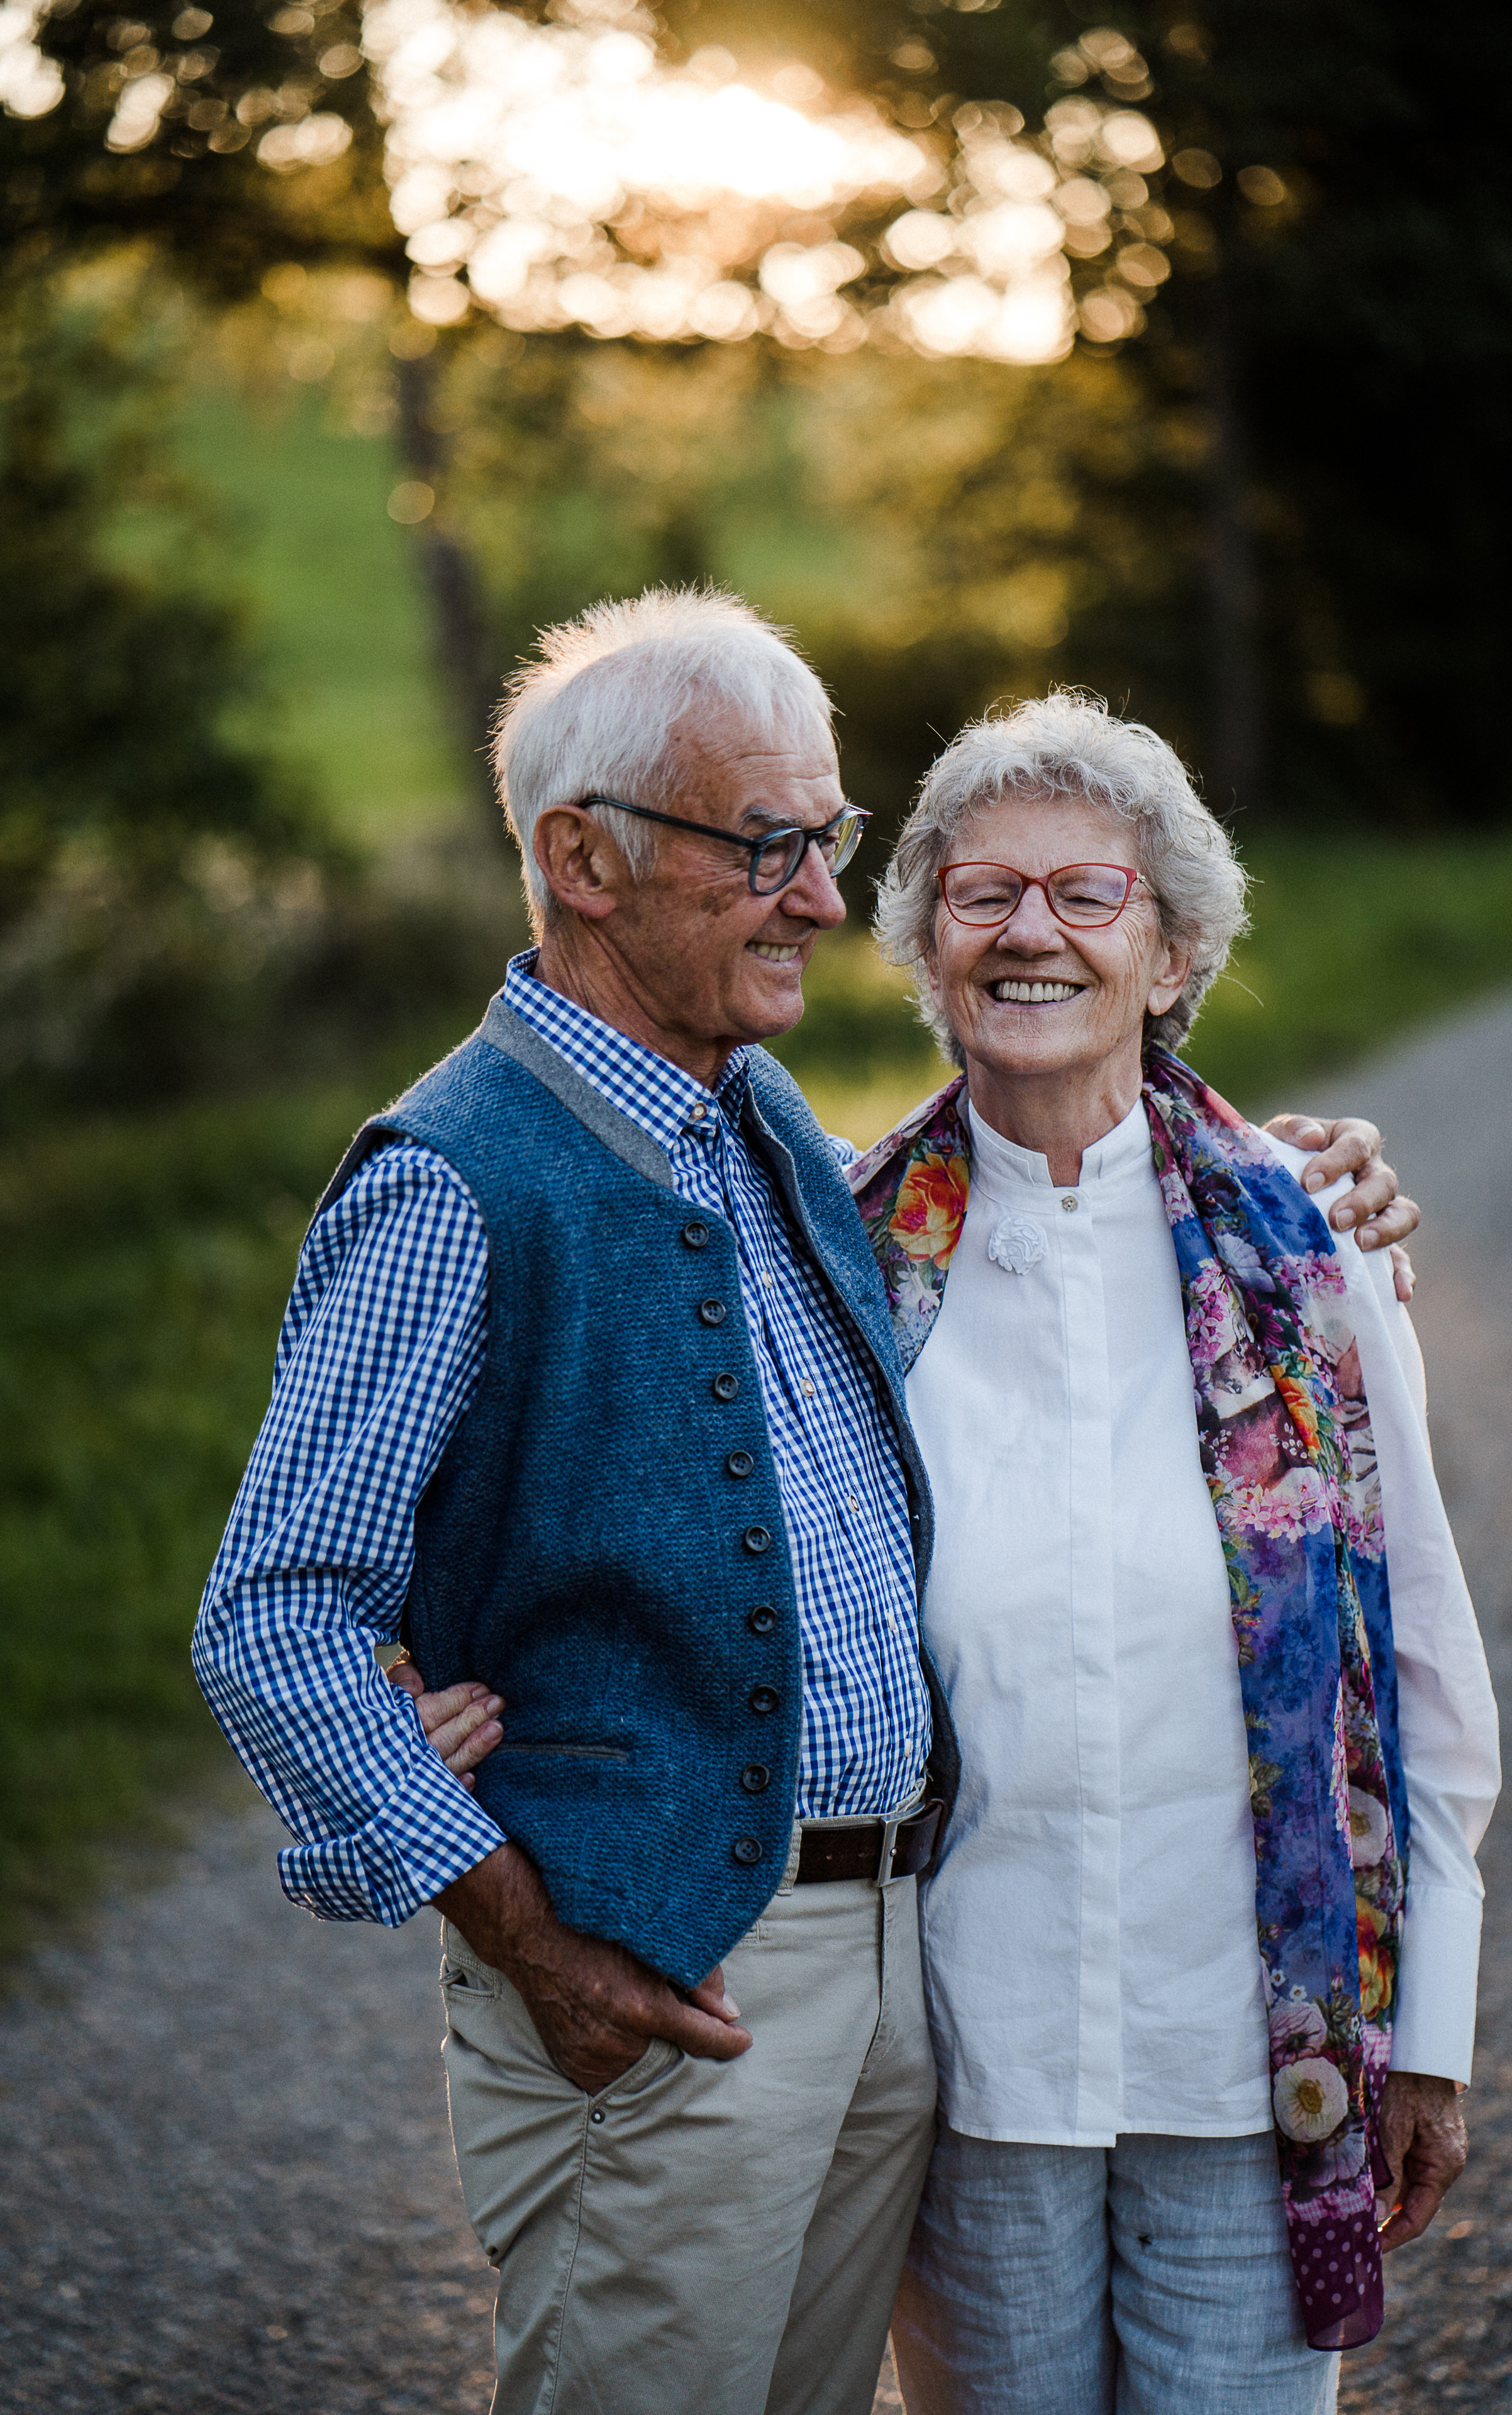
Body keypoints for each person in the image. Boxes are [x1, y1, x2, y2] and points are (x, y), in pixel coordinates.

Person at [194, 590, 1416, 2415]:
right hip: (664, 1973)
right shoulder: (455, 1175)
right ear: (582, 860)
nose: (824, 900)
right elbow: (273, 1619)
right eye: (767, 845)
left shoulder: (763, 1127)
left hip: (888, 1982)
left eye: (827, 841)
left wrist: (1292, 1174)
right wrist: (512, 1916)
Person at [842, 692, 1501, 2414]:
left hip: (1254, 2042)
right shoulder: (846, 1259)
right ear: (923, 942)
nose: (1030, 931)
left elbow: (1419, 1649)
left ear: (1175, 945)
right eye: (981, 892)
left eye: (1088, 892)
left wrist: (1427, 2033)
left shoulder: (1309, 1243)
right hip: (965, 2052)